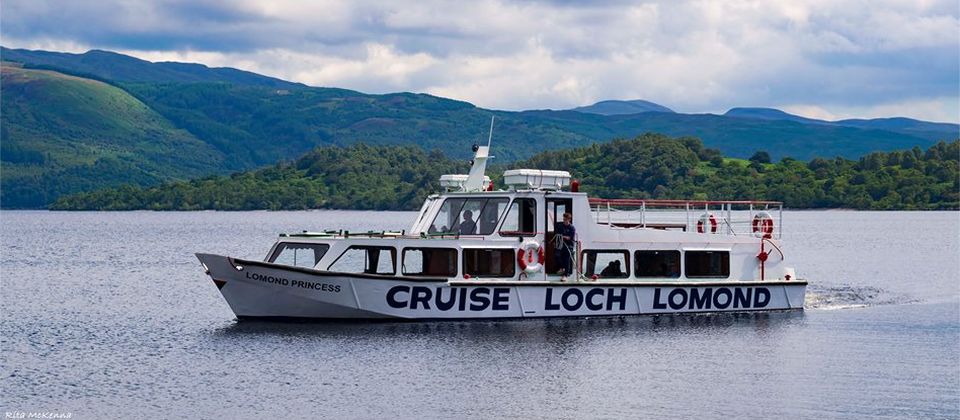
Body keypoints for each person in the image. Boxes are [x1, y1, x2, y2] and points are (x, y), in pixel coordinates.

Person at [555, 212, 576, 281]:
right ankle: (562, 268)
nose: (564, 221)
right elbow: (557, 234)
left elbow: (570, 238)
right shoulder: (560, 226)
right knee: (557, 255)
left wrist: (563, 237)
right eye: (563, 219)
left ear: (569, 220)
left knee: (567, 259)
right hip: (561, 244)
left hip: (569, 245)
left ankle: (565, 275)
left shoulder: (572, 228)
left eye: (565, 220)